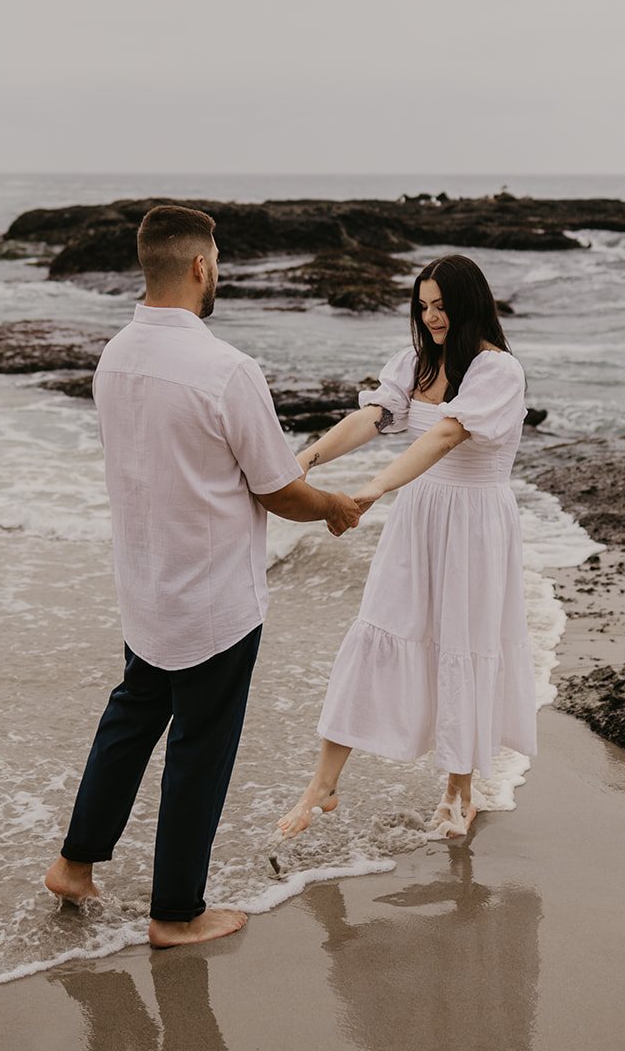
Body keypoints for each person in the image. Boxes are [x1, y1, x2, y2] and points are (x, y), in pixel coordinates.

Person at [45, 205, 362, 947]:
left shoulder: (115, 355)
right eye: (215, 258)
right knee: (199, 748)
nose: (216, 269)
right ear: (198, 266)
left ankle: (74, 864)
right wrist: (335, 510)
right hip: (214, 599)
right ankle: (175, 913)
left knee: (129, 723)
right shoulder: (226, 370)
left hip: (147, 589)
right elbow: (277, 489)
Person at [277, 254, 534, 841]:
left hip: (474, 525)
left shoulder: (498, 372)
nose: (432, 317)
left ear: (470, 303)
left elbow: (446, 434)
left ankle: (458, 792)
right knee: (375, 635)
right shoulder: (415, 365)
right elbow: (371, 418)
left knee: (462, 647)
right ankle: (324, 782)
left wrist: (372, 489)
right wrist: (303, 460)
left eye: (442, 306)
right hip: (418, 518)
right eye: (423, 306)